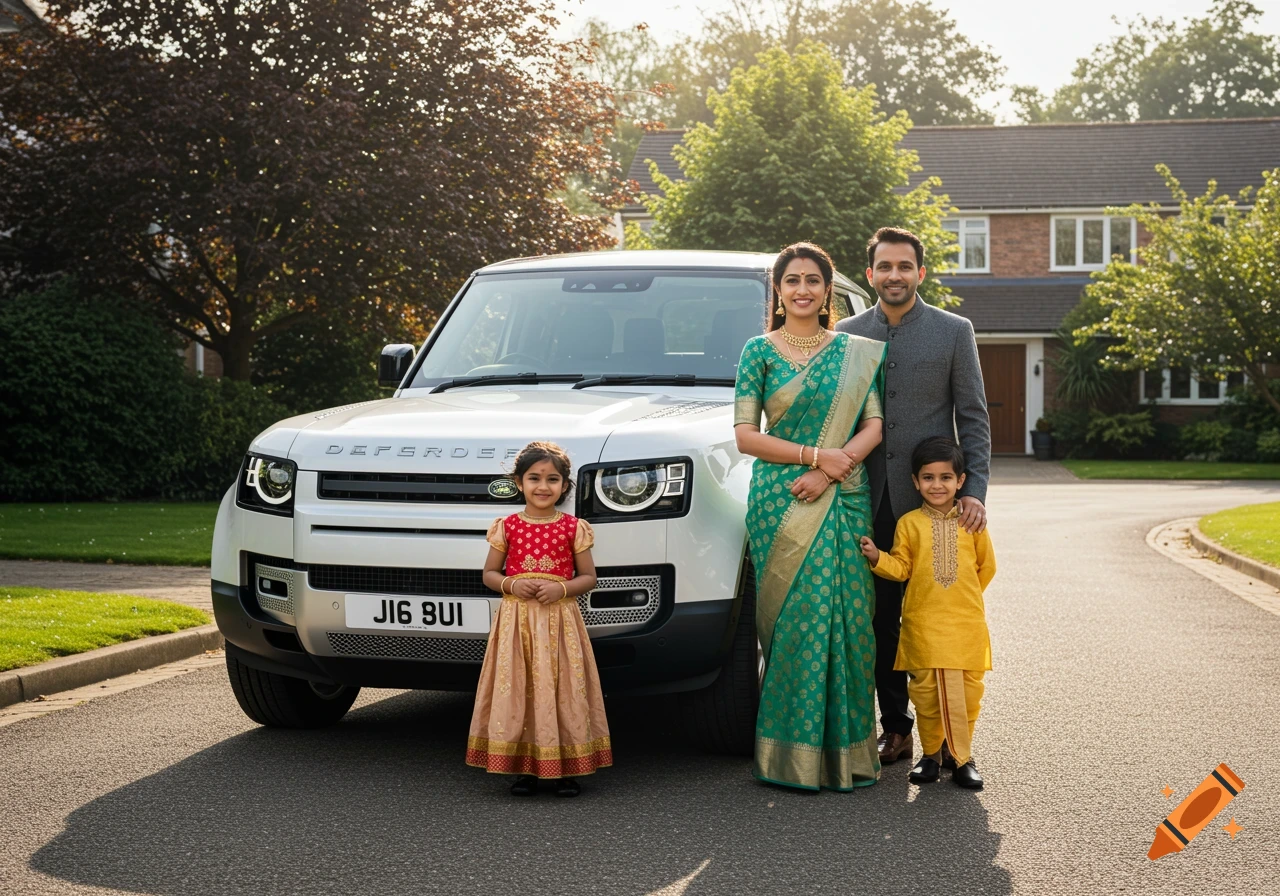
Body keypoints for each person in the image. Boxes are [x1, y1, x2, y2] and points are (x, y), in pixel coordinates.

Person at [835, 226, 992, 767]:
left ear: (920, 272)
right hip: (868, 499)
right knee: (880, 621)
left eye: (904, 266)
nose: (894, 275)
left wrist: (975, 491)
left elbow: (973, 417)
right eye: (885, 266)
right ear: (870, 273)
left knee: (937, 620)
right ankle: (897, 728)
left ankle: (949, 736)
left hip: (937, 504)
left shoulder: (954, 331)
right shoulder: (848, 333)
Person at [734, 241, 887, 791]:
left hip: (842, 494)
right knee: (794, 623)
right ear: (778, 291)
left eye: (813, 280)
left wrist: (829, 469)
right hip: (782, 497)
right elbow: (746, 436)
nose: (803, 289)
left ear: (827, 291)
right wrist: (815, 457)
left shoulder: (854, 353)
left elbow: (873, 425)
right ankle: (788, 758)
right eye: (792, 280)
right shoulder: (758, 351)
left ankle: (847, 756)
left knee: (849, 621)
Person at [466, 441, 612, 797]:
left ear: (565, 485)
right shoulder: (507, 527)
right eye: (534, 478)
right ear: (519, 482)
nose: (543, 486)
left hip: (560, 623)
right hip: (517, 624)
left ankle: (566, 770)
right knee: (521, 687)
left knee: (562, 689)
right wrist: (512, 584)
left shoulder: (574, 528)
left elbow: (589, 577)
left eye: (552, 479)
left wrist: (562, 589)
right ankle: (524, 768)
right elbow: (489, 574)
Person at [860, 436, 996, 789]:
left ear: (961, 481)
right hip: (923, 624)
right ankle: (931, 756)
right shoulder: (909, 524)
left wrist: (961, 600)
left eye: (946, 477)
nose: (937, 485)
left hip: (965, 624)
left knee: (969, 692)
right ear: (915, 481)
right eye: (928, 478)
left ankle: (962, 758)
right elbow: (902, 567)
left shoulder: (972, 523)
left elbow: (987, 567)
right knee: (926, 693)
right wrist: (877, 557)